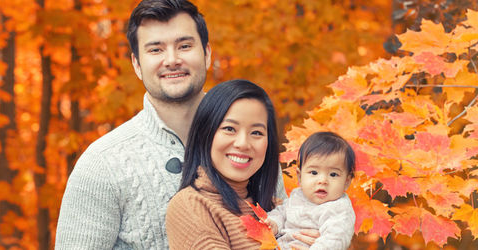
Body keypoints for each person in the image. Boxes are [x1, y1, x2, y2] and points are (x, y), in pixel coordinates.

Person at [53, 1, 288, 249]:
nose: (172, 60)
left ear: (207, 54)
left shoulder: (250, 146)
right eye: (156, 50)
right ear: (136, 64)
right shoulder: (104, 163)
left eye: (184, 46)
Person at [165, 79, 282, 249]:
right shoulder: (191, 206)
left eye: (256, 132)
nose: (242, 143)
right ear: (205, 133)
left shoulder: (279, 210)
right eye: (229, 129)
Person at [266, 132, 356, 250]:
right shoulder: (297, 196)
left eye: (333, 174)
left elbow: (335, 239)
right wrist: (274, 223)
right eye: (314, 172)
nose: (323, 180)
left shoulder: (339, 209)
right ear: (299, 176)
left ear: (346, 182)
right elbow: (281, 212)